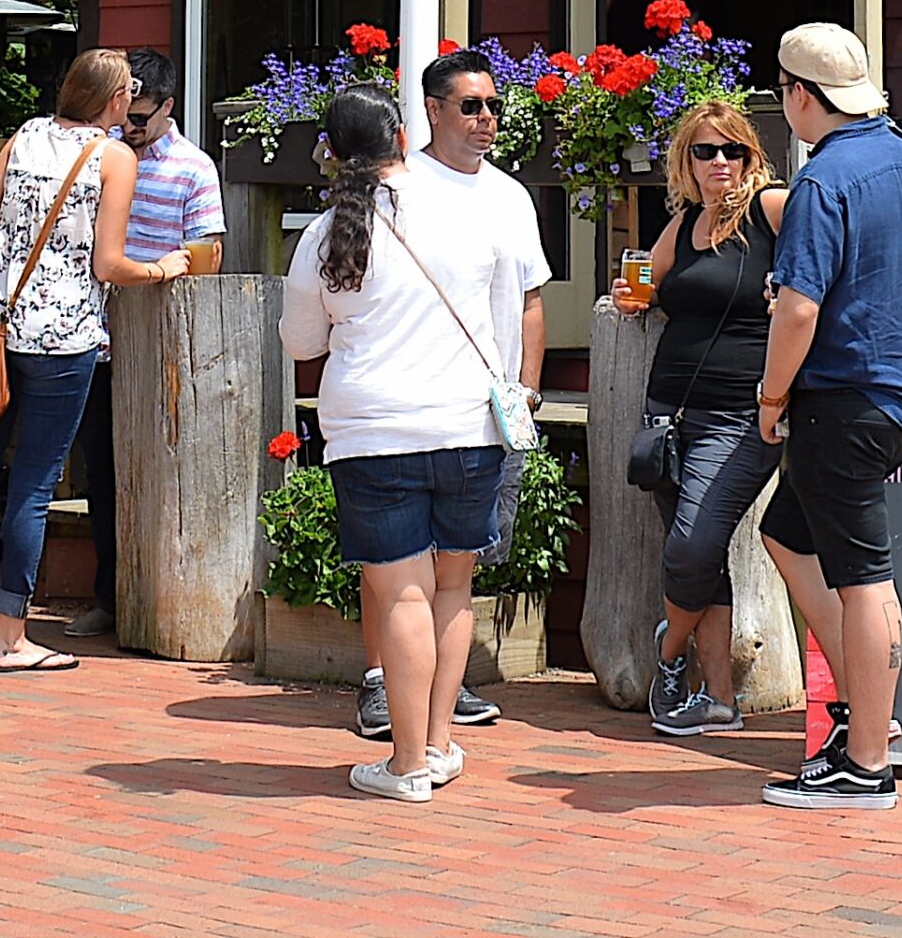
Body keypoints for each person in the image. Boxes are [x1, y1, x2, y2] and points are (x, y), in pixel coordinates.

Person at [280, 54, 550, 804]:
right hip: (468, 426)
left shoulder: (327, 232)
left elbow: (301, 342)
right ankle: (435, 744)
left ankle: (403, 765)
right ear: (404, 132)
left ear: (331, 153)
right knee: (453, 589)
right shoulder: (470, 206)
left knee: (400, 593)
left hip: (373, 428)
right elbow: (514, 303)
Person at [0, 50, 192, 671]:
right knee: (35, 486)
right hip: (61, 337)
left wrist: (8, 276)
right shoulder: (113, 155)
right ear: (115, 99)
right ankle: (9, 638)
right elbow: (109, 265)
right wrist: (163, 267)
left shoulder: (27, 135)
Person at [755, 22, 902, 812]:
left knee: (864, 580)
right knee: (785, 535)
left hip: (839, 397)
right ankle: (864, 711)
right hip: (899, 394)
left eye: (782, 94)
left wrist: (771, 398)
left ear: (800, 96)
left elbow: (798, 307)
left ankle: (867, 763)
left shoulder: (821, 179)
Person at [615, 100, 787, 736]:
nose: (720, 162)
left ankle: (667, 653)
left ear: (752, 156)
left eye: (732, 150)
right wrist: (629, 295)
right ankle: (717, 699)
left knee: (690, 544)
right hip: (669, 411)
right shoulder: (685, 221)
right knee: (700, 554)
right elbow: (645, 281)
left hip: (744, 412)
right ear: (685, 160)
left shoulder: (773, 209)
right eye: (705, 151)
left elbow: (823, 271)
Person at [66, 49, 226, 639]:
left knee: (162, 473)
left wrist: (162, 271)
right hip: (93, 337)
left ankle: (157, 602)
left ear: (168, 108)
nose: (127, 127)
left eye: (139, 118)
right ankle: (109, 597)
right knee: (102, 474)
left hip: (160, 344)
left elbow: (209, 255)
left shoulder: (192, 167)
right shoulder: (96, 153)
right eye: (122, 116)